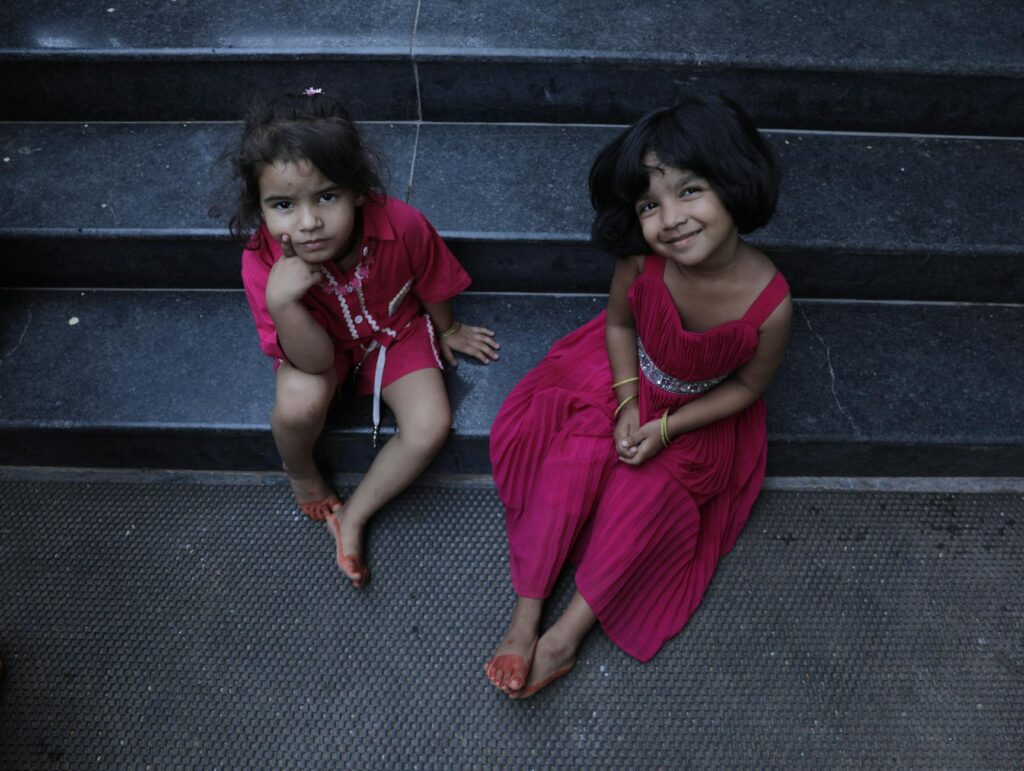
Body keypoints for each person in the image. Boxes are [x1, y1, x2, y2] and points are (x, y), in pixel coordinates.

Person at [484, 96, 791, 698]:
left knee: (644, 497)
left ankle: (564, 636)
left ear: (734, 184)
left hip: (696, 419)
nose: (670, 218)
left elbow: (750, 387)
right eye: (651, 204)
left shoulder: (770, 304)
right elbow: (620, 327)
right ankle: (526, 612)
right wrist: (627, 403)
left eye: (691, 191)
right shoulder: (641, 263)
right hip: (621, 379)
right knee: (574, 456)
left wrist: (667, 429)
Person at [231, 89, 499, 587]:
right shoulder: (261, 263)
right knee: (296, 406)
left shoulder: (401, 223)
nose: (309, 222)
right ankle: (302, 473)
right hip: (318, 349)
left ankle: (354, 515)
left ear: (358, 190)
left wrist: (450, 328)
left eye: (326, 196)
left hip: (394, 332)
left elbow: (432, 280)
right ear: (261, 208)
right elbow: (311, 363)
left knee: (430, 425)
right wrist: (283, 303)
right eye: (284, 204)